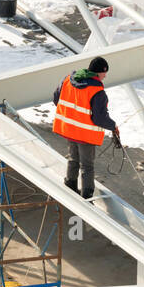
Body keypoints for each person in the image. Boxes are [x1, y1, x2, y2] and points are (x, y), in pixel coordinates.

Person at [52, 56, 120, 200]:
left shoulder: (68, 80)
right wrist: (113, 126)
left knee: (73, 158)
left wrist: (72, 115)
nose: (105, 76)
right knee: (87, 166)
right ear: (98, 73)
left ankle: (70, 186)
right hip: (85, 135)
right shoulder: (97, 91)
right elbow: (99, 118)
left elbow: (56, 99)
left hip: (70, 129)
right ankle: (87, 196)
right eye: (104, 73)